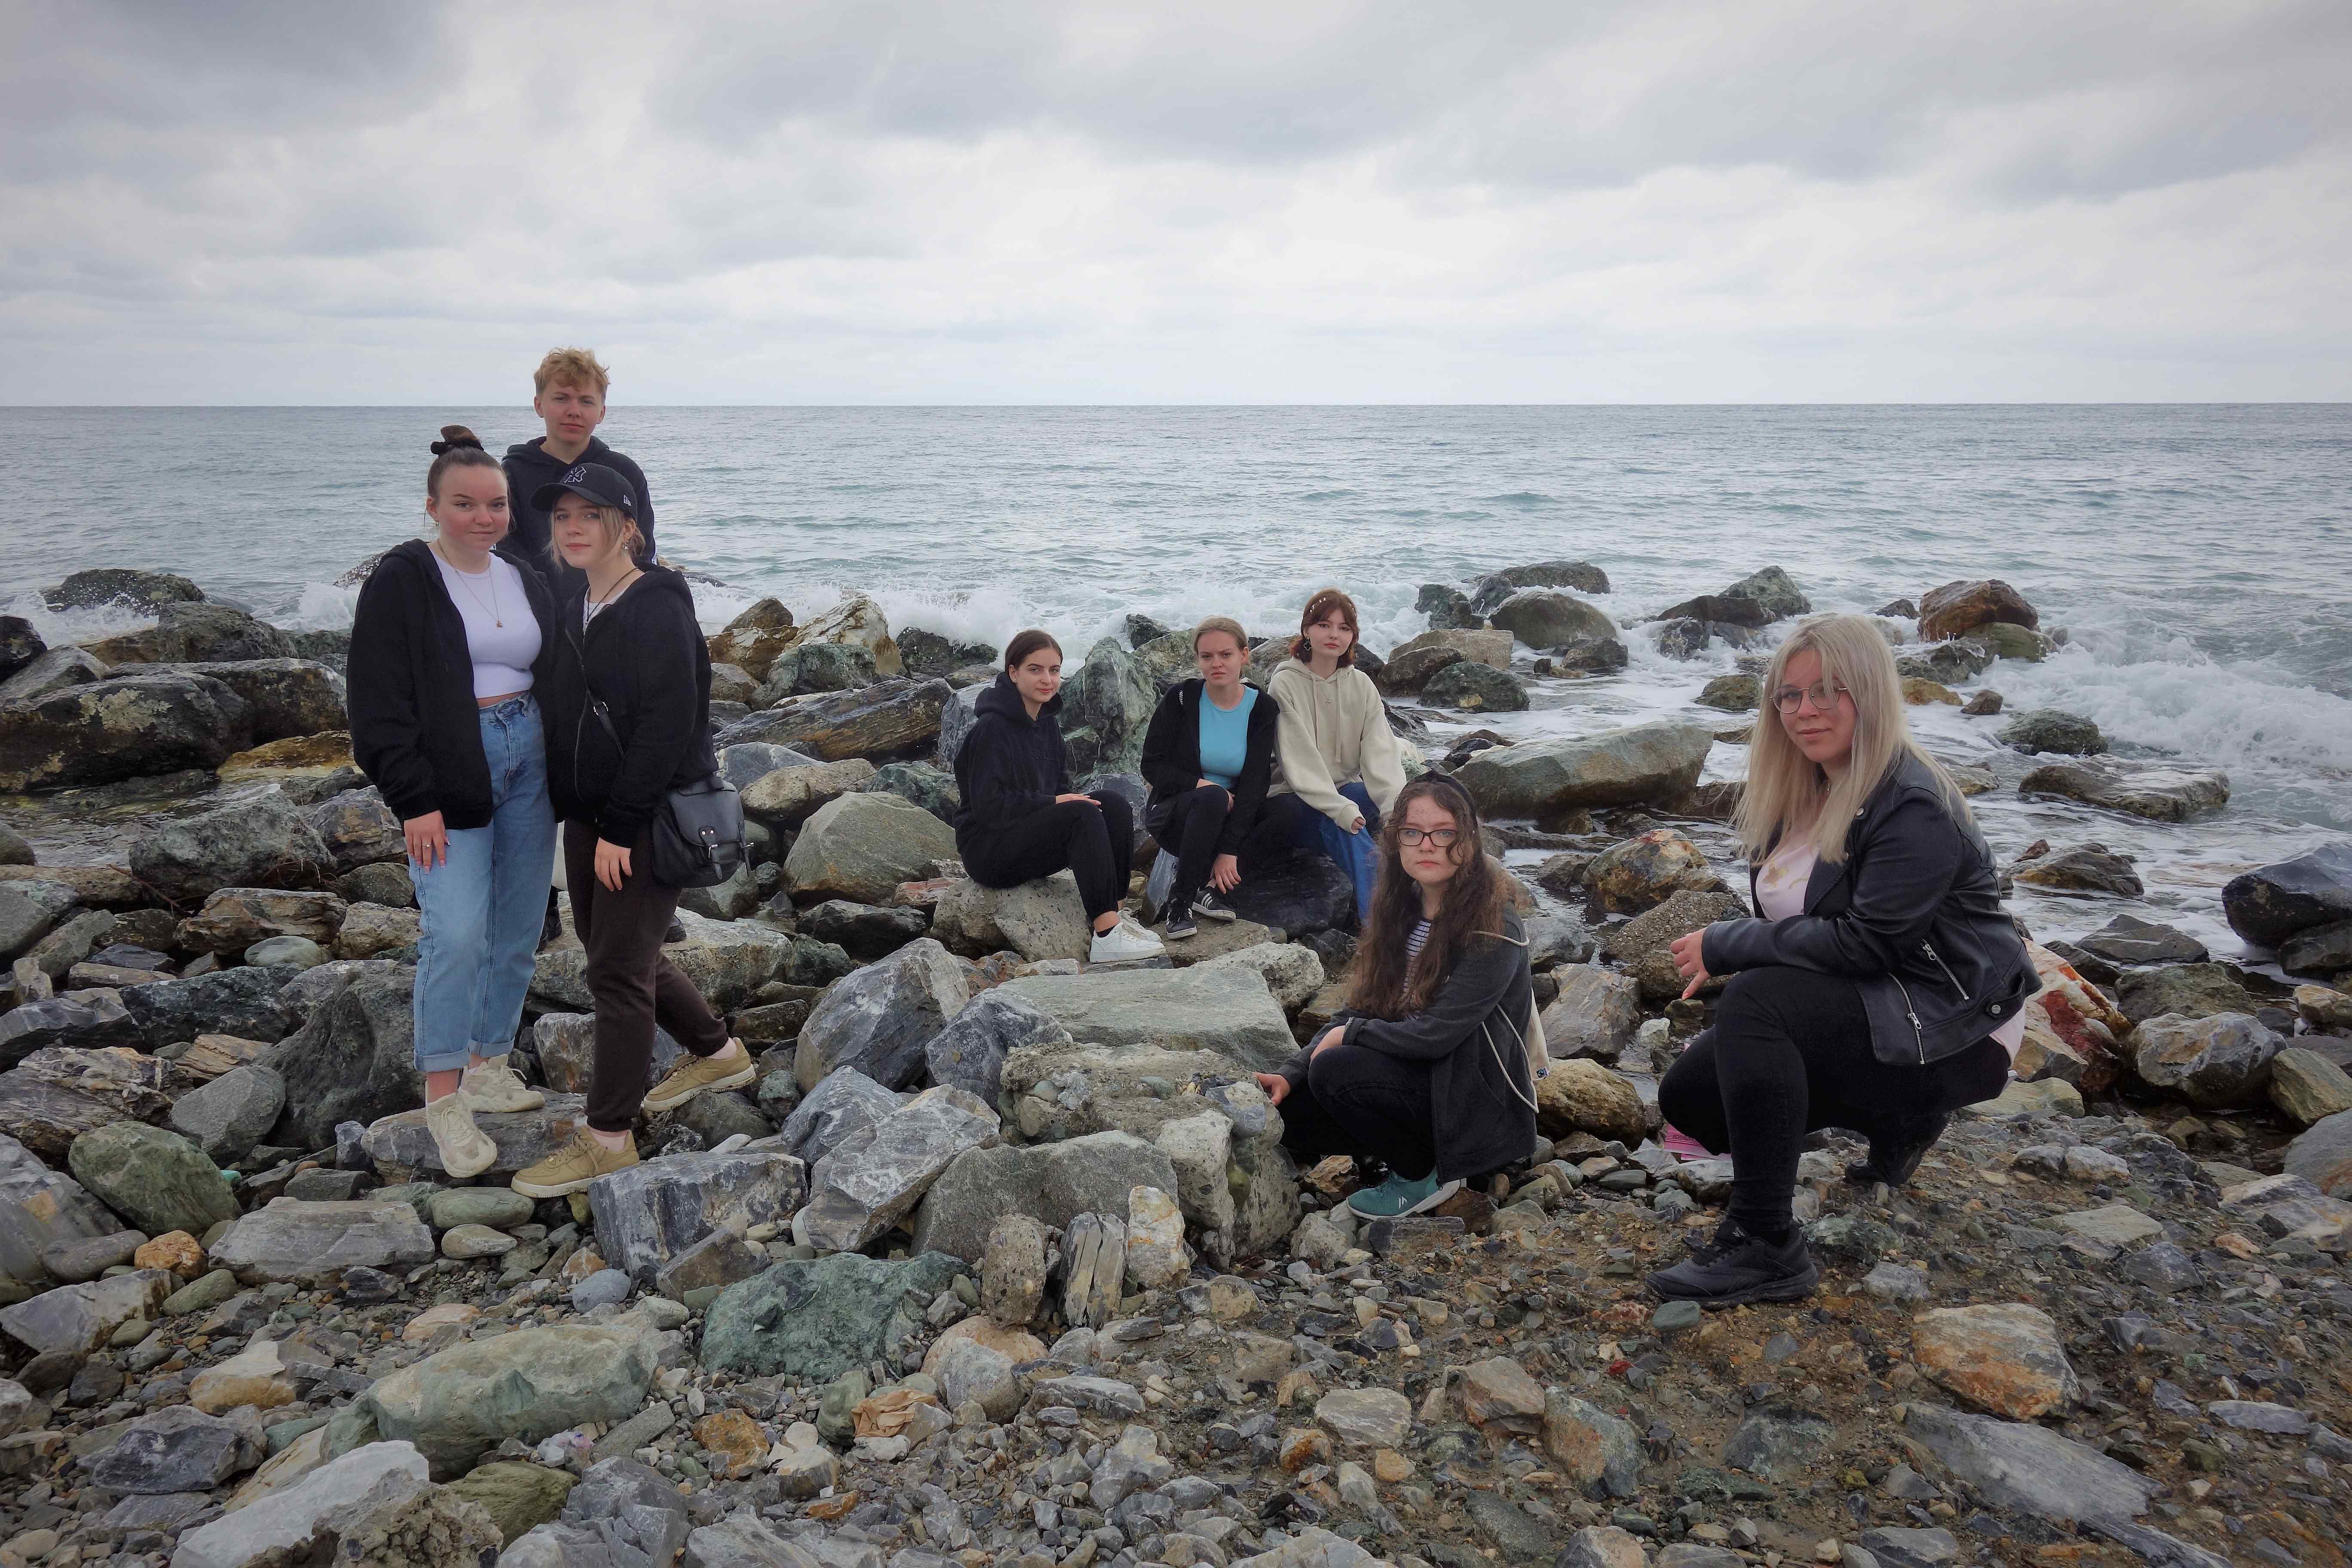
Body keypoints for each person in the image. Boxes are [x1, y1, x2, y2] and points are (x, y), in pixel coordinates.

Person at [1649, 614, 2038, 1307]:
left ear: (1870, 693)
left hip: (1953, 1026)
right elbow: (1807, 929)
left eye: (1829, 690)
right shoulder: (1800, 789)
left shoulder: (1912, 802)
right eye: (1790, 695)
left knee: (1756, 1001)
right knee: (1692, 1101)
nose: (1806, 711)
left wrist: (1729, 945)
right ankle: (1895, 1120)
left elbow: (1870, 943)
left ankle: (1766, 1242)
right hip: (1873, 1011)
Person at [511, 462, 750, 1197]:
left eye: (591, 515)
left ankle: (609, 1137)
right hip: (593, 814)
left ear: (627, 526)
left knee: (615, 971)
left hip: (647, 817)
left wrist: (619, 827)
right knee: (621, 952)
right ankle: (719, 1052)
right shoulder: (576, 601)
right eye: (562, 516)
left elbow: (668, 726)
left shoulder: (658, 606)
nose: (573, 527)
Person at [347, 426, 558, 1178]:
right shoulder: (403, 577)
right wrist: (414, 800)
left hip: (531, 756)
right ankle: (443, 1097)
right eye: (465, 503)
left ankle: (488, 1061)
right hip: (449, 770)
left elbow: (559, 668)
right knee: (457, 931)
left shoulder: (522, 573)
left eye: (496, 504)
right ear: (433, 506)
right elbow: (375, 701)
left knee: (519, 924)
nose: (483, 517)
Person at [1256, 775, 1536, 1219]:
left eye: (1444, 833)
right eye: (1413, 832)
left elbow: (1437, 1036)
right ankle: (1391, 1143)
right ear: (1396, 841)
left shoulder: (1493, 924)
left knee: (1335, 1069)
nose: (1427, 845)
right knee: (1288, 1113)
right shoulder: (1402, 909)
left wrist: (1351, 1036)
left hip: (1467, 1099)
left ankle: (1423, 1173)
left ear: (1468, 840)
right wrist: (1291, 1072)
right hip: (1413, 1076)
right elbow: (1362, 1008)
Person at [953, 630, 1166, 964]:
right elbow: (989, 807)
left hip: (1024, 835)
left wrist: (1063, 801)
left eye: (1054, 671)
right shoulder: (992, 728)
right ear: (1013, 673)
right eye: (1035, 670)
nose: (1047, 679)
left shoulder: (1047, 724)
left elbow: (1060, 788)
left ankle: (1116, 914)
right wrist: (1056, 805)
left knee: (1112, 805)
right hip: (988, 850)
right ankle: (1107, 938)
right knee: (1080, 814)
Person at [1261, 588, 1406, 922]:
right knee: (1346, 828)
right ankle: (1381, 930)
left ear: (1353, 636)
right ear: (1307, 630)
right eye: (1324, 625)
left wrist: (1395, 812)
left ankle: (1434, 912)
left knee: (1409, 815)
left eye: (1344, 628)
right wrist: (1340, 809)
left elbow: (1381, 754)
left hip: (1344, 791)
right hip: (1296, 799)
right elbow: (1299, 763)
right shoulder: (1285, 684)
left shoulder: (1362, 685)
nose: (1334, 635)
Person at [1139, 616, 1281, 939]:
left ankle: (1212, 887)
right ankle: (1181, 901)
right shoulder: (1181, 699)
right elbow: (1152, 765)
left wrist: (1230, 851)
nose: (1216, 664)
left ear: (1244, 656)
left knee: (1290, 812)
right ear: (1198, 660)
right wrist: (1201, 785)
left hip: (1231, 817)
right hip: (1178, 814)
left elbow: (1256, 783)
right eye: (1207, 656)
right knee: (1213, 798)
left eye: (1226, 655)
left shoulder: (1262, 708)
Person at [503, 348, 656, 582]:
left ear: (601, 412)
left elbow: (643, 549)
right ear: (539, 405)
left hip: (613, 598)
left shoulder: (624, 472)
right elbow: (507, 551)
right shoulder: (512, 473)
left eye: (586, 401)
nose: (574, 412)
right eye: (561, 399)